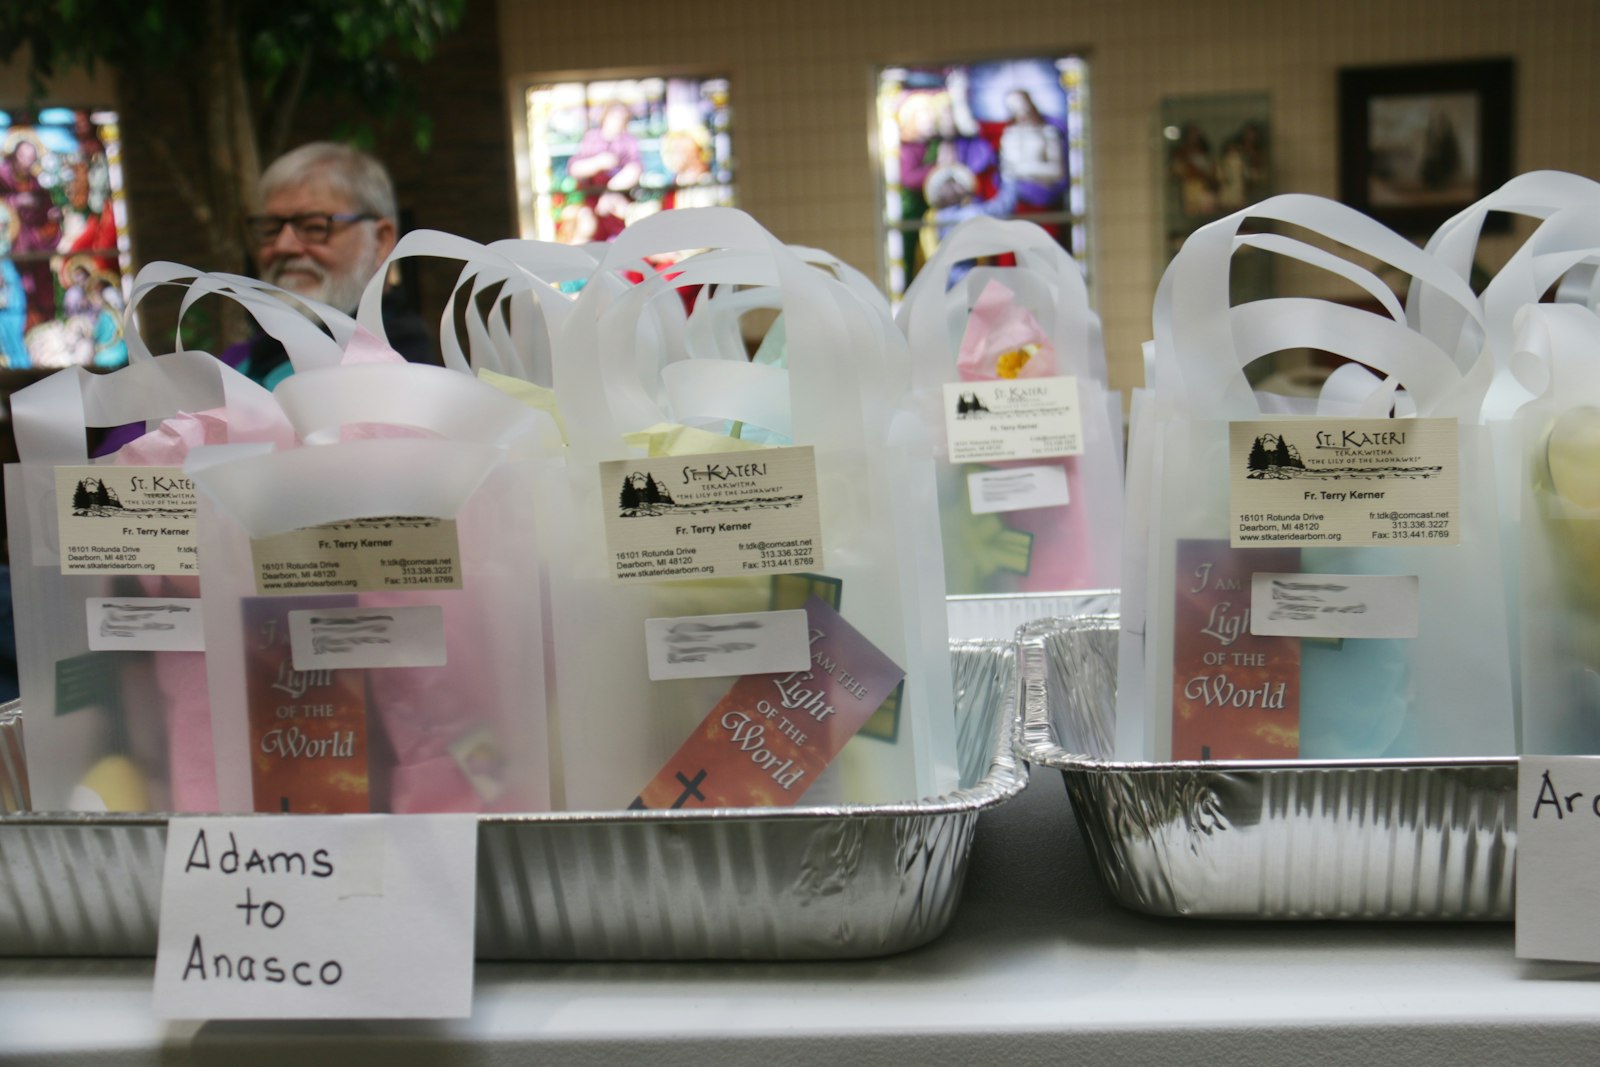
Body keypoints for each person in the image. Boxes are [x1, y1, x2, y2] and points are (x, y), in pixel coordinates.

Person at [232, 141, 436, 388]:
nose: (283, 246)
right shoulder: (242, 358)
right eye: (270, 228)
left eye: (314, 227)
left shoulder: (398, 369)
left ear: (380, 241)